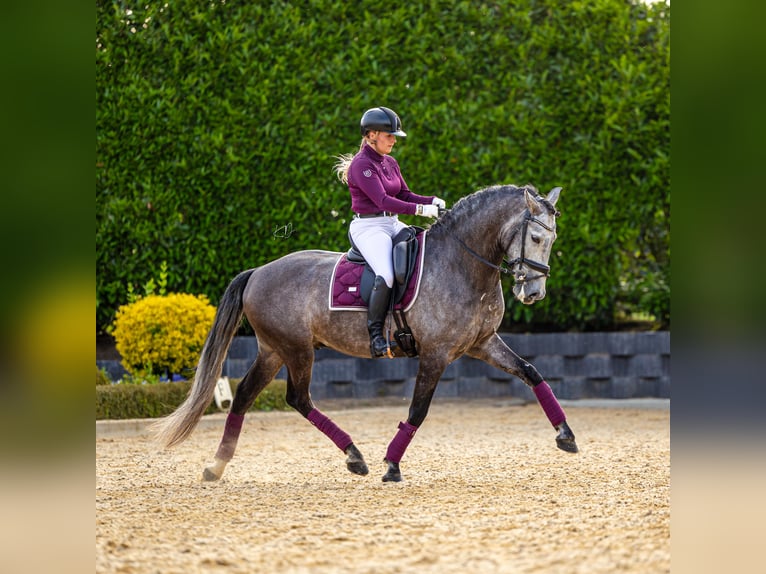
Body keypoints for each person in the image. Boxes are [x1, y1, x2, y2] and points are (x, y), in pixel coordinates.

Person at [334, 106, 446, 358]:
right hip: (369, 227)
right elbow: (383, 200)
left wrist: (432, 200)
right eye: (389, 135)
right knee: (385, 273)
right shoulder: (361, 165)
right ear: (371, 134)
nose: (394, 140)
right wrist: (420, 209)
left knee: (423, 253)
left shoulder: (390, 162)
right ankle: (374, 336)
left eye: (395, 136)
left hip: (392, 223)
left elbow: (403, 194)